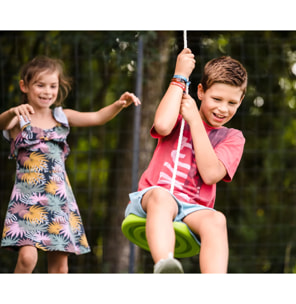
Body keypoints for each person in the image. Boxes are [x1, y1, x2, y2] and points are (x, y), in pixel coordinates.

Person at [0, 55, 140, 273]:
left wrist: (118, 105)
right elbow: (2, 123)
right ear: (24, 86)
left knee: (60, 267)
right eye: (40, 85)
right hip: (27, 202)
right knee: (28, 258)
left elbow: (96, 117)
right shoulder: (18, 119)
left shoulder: (61, 116)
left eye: (52, 86)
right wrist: (11, 111)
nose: (47, 91)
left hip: (58, 199)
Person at [125, 48, 247, 273]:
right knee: (162, 197)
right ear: (200, 92)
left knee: (217, 220)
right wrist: (180, 76)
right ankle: (165, 266)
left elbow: (211, 174)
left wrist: (195, 122)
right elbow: (162, 125)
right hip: (155, 198)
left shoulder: (233, 138)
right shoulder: (178, 115)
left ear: (241, 101)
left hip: (193, 209)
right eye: (217, 99)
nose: (223, 108)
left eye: (232, 103)